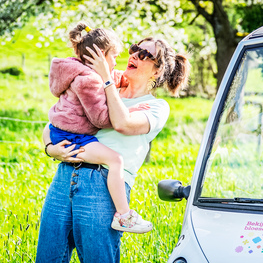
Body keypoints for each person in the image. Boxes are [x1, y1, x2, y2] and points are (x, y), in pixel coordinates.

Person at [36, 33, 190, 262]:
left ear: (157, 71)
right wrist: (50, 148)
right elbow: (58, 120)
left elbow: (122, 123)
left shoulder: (157, 107)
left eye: (145, 54)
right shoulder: (99, 88)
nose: (135, 55)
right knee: (48, 257)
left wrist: (106, 79)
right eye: (134, 48)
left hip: (103, 186)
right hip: (65, 177)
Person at [45, 22, 152, 234]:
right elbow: (101, 120)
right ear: (102, 55)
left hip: (64, 132)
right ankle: (123, 215)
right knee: (115, 160)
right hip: (73, 137)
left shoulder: (81, 70)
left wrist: (112, 78)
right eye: (114, 56)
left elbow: (113, 77)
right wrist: (130, 110)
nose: (117, 62)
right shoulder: (88, 80)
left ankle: (123, 215)